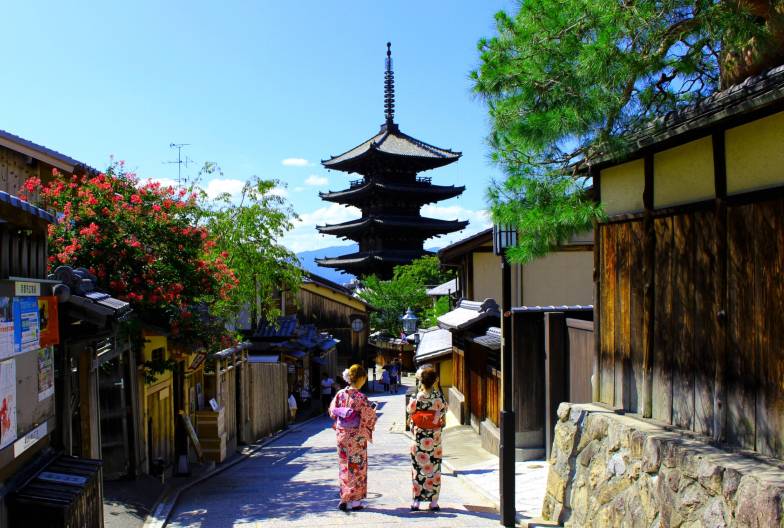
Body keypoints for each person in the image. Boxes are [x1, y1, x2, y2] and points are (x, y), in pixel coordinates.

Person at [329, 364, 378, 512]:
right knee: (357, 467)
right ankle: (356, 502)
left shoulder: (339, 394)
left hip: (342, 434)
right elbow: (369, 416)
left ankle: (344, 499)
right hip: (356, 436)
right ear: (362, 378)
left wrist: (344, 413)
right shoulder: (361, 397)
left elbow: (332, 412)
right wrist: (372, 410)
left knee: (344, 466)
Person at [407, 366, 447, 512]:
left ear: (421, 381)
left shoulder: (416, 397)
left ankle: (416, 501)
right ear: (434, 381)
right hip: (434, 439)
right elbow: (444, 410)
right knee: (434, 468)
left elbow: (409, 411)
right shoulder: (439, 397)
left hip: (419, 437)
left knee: (418, 468)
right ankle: (434, 502)